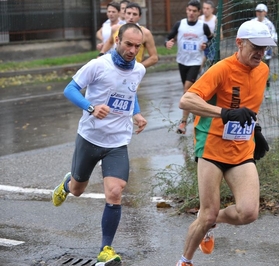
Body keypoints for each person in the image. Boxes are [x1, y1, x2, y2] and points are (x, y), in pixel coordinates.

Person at [175, 20, 275, 266]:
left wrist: (255, 127)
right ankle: (184, 261)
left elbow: (249, 105)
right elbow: (186, 101)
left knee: (249, 212)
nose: (261, 53)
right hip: (212, 146)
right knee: (206, 213)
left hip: (242, 148)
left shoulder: (263, 70)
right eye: (256, 46)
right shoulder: (222, 69)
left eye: (265, 48)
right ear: (239, 43)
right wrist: (225, 113)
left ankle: (211, 220)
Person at [51, 23, 147, 264]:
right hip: (90, 138)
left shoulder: (139, 70)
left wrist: (136, 113)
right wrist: (91, 108)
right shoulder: (98, 65)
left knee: (115, 192)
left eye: (137, 46)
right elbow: (70, 89)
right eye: (128, 44)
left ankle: (106, 249)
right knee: (77, 190)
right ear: (117, 40)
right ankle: (67, 182)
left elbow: (131, 93)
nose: (133, 50)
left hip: (118, 142)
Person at [165, 0, 213, 134]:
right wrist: (167, 43)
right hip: (182, 61)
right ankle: (194, 110)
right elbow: (168, 38)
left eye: (194, 11)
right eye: (189, 10)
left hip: (196, 62)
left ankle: (183, 122)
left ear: (199, 12)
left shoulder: (203, 26)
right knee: (187, 90)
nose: (191, 13)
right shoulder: (180, 24)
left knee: (187, 89)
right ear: (186, 10)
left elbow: (211, 39)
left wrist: (206, 45)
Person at [99, 2, 158, 68]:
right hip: (114, 67)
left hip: (132, 71)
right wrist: (101, 53)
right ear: (124, 14)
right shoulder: (115, 28)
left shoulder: (145, 33)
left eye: (135, 14)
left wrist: (137, 68)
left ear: (139, 17)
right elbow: (110, 42)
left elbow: (154, 58)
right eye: (129, 13)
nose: (131, 17)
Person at [251, 3, 277, 98]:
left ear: (265, 12)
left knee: (265, 70)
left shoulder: (269, 24)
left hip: (266, 52)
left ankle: (267, 90)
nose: (259, 13)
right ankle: (255, 90)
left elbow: (274, 36)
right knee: (254, 70)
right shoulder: (252, 23)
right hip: (254, 50)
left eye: (261, 11)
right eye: (258, 11)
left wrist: (268, 46)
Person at [198, 0, 223, 70]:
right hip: (201, 44)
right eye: (204, 8)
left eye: (207, 8)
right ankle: (198, 72)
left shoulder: (215, 19)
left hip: (211, 44)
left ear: (212, 10)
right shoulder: (200, 19)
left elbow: (221, 36)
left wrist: (212, 37)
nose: (205, 10)